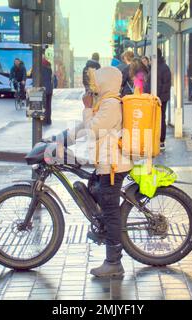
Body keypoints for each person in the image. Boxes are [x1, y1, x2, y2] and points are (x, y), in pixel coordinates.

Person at [53, 67, 133, 277]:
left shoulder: (112, 105)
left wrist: (87, 108)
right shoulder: (105, 103)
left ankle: (114, 263)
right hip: (105, 165)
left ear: (105, 83)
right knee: (93, 191)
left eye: (97, 82)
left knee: (111, 212)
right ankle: (103, 230)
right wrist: (61, 139)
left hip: (113, 167)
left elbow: (92, 129)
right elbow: (83, 126)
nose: (93, 86)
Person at [156, 49, 172, 150]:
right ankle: (157, 139)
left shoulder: (163, 68)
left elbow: (166, 84)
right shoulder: (156, 67)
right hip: (156, 97)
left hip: (161, 98)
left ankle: (161, 141)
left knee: (161, 118)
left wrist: (160, 98)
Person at [42, 58, 53, 125]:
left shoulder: (40, 69)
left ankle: (44, 121)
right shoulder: (49, 68)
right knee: (48, 105)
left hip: (43, 88)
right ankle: (49, 120)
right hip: (49, 88)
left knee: (44, 105)